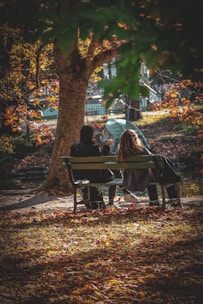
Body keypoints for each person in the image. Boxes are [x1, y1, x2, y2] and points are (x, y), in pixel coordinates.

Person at [117, 129, 178, 206]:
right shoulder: (141, 150)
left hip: (130, 180)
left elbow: (117, 167)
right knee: (166, 175)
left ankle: (154, 201)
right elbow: (152, 159)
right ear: (135, 139)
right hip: (145, 178)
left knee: (148, 174)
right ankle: (171, 200)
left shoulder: (121, 153)